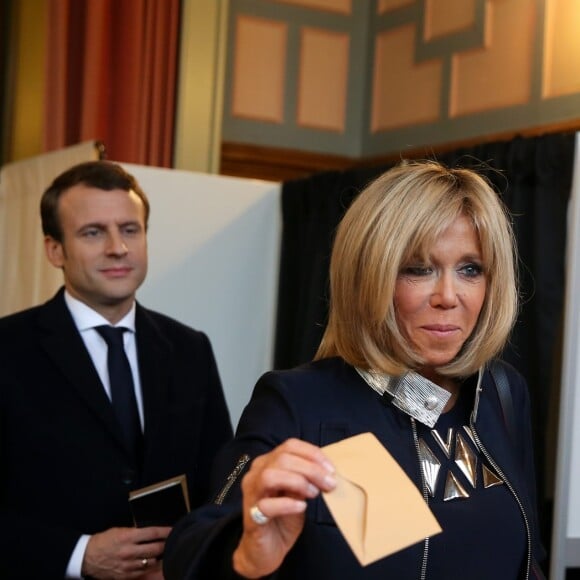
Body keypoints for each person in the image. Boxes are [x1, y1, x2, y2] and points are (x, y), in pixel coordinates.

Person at [162, 160, 544, 579]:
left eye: (470, 269)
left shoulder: (502, 393)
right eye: (419, 269)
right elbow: (191, 550)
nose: (449, 296)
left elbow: (529, 559)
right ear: (369, 276)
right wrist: (247, 554)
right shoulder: (300, 402)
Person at [0, 160, 234, 579]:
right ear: (54, 249)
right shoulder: (9, 349)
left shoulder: (189, 349)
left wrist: (185, 557)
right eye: (93, 232)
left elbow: (221, 479)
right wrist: (79, 554)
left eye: (130, 229)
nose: (117, 248)